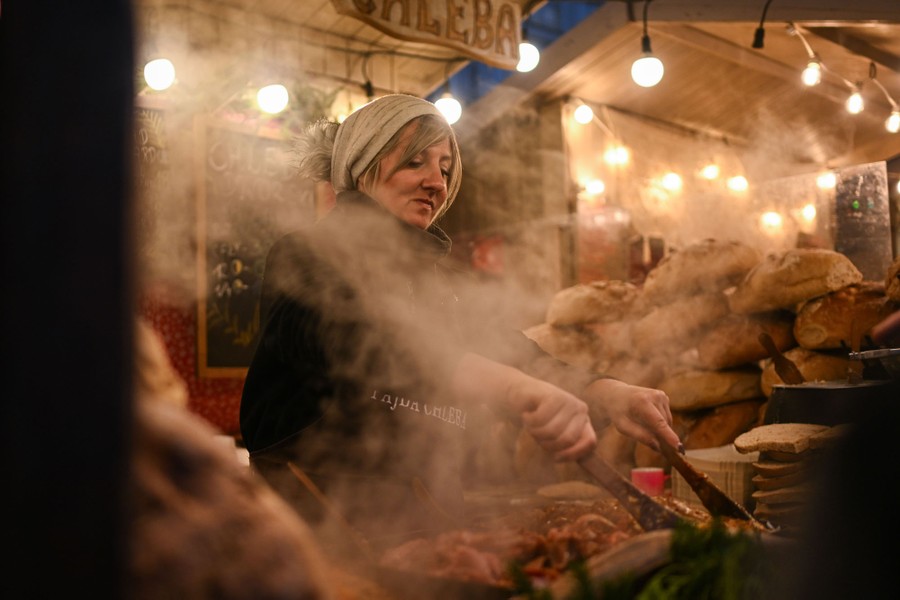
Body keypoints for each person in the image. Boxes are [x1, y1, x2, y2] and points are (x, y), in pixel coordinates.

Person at [239, 94, 681, 548]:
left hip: (433, 525)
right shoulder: (304, 253)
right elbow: (356, 340)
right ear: (361, 165)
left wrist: (602, 391)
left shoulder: (436, 280)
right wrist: (509, 387)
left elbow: (510, 351)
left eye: (446, 169)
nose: (436, 182)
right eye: (415, 162)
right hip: (319, 532)